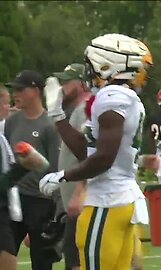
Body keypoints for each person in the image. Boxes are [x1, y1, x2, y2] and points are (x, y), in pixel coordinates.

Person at [38, 33, 150, 269]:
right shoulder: (124, 97)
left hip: (106, 203)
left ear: (108, 64)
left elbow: (104, 158)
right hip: (121, 201)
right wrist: (58, 116)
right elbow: (87, 151)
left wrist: (64, 176)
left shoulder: (111, 97)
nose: (89, 71)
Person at [4, 69, 61, 270]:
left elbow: (54, 167)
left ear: (36, 91)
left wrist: (55, 207)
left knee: (42, 260)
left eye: (20, 89)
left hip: (40, 201)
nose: (15, 94)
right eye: (14, 90)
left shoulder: (50, 125)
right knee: (6, 252)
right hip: (14, 199)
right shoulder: (12, 121)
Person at [50, 63, 91, 270]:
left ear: (83, 83)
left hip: (83, 204)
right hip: (75, 205)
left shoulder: (83, 111)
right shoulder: (75, 111)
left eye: (67, 81)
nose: (62, 87)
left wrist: (79, 192)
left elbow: (87, 154)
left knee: (76, 262)